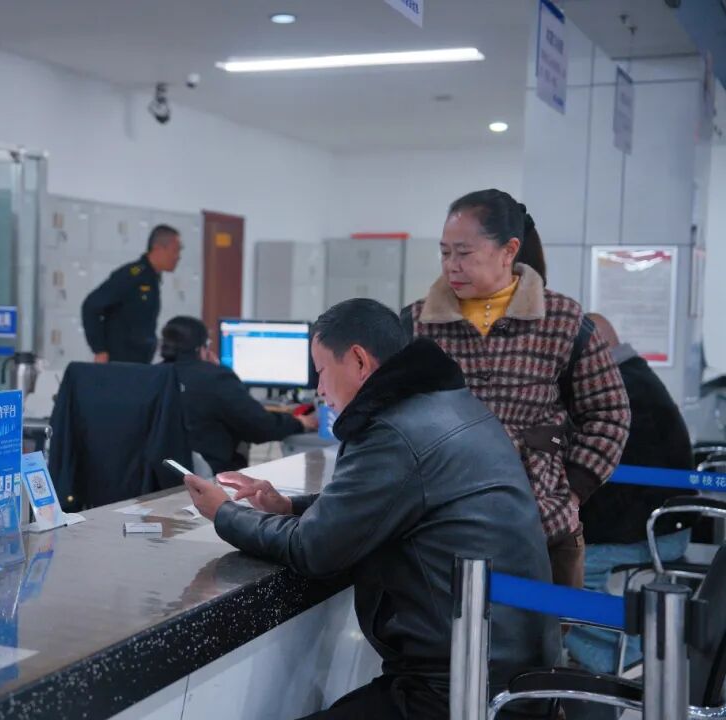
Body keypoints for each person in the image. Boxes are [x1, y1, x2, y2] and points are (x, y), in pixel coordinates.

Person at [185, 299, 559, 720]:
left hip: (461, 690)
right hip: (510, 674)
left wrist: (223, 512)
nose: (319, 390)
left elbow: (315, 548)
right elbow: (392, 500)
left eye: (322, 371)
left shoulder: (393, 430)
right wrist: (287, 505)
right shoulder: (449, 404)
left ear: (359, 361)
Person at [403, 189, 630, 589]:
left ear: (508, 250)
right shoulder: (417, 323)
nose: (451, 266)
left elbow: (609, 413)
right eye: (444, 253)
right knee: (445, 630)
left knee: (540, 630)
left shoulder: (561, 320)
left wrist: (572, 492)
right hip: (440, 529)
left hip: (543, 528)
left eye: (464, 253)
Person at [566, 313, 695, 673]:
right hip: (665, 525)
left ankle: (625, 662)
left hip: (649, 533)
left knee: (553, 571)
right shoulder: (635, 377)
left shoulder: (614, 389)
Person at [159, 316, 317, 473]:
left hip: (161, 475)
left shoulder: (152, 376)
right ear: (201, 349)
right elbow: (260, 426)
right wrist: (299, 423)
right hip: (209, 476)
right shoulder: (215, 378)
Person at [81, 224, 181, 364]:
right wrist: (99, 349)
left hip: (138, 362)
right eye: (175, 251)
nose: (178, 257)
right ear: (158, 249)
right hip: (120, 363)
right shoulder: (132, 274)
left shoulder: (152, 278)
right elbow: (91, 305)